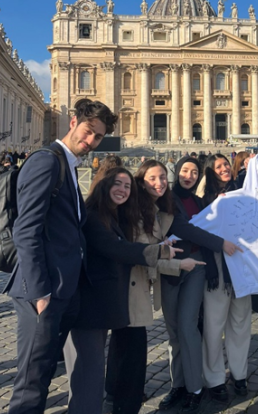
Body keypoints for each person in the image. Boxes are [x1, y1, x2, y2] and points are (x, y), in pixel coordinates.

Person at [5, 98, 118, 414]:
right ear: (73, 122)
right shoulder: (47, 161)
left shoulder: (67, 164)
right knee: (31, 382)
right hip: (42, 291)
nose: (91, 141)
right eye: (88, 131)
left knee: (42, 375)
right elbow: (26, 230)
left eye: (98, 137)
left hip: (63, 290)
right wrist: (40, 291)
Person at [64, 167, 176, 414]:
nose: (123, 190)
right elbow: (117, 249)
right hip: (89, 305)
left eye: (127, 186)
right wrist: (160, 251)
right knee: (88, 373)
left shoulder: (113, 215)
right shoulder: (93, 216)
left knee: (92, 372)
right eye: (118, 184)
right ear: (104, 185)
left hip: (104, 303)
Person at [103, 161, 201, 414]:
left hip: (136, 283)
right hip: (128, 284)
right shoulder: (135, 210)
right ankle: (122, 401)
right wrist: (177, 263)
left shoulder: (154, 207)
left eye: (163, 178)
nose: (160, 183)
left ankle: (117, 396)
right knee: (130, 346)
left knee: (126, 344)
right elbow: (142, 252)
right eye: (153, 178)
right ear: (142, 180)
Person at [159, 157, 226, 413]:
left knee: (188, 326)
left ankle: (195, 388)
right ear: (177, 171)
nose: (189, 175)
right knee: (174, 331)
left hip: (196, 266)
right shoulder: (167, 198)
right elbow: (181, 227)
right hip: (171, 267)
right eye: (185, 171)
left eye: (195, 172)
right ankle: (178, 384)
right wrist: (220, 244)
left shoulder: (198, 201)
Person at [201, 154, 251, 402]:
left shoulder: (242, 191)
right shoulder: (203, 198)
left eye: (226, 165)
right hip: (217, 267)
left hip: (241, 265)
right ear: (210, 171)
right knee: (213, 325)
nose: (224, 169)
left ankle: (240, 374)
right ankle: (214, 378)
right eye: (218, 166)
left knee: (241, 323)